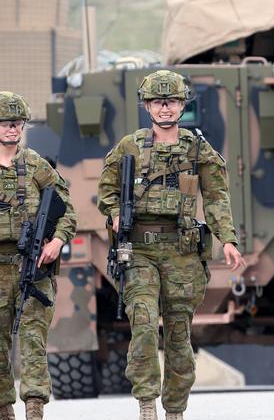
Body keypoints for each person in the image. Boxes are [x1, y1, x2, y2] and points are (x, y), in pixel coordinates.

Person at [97, 70, 245, 420]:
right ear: (148, 106)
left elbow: (217, 198)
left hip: (181, 252)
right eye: (159, 102)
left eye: (172, 102)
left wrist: (228, 239)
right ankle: (147, 402)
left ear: (182, 105)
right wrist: (116, 212)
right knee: (145, 323)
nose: (165, 109)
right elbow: (106, 190)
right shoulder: (130, 147)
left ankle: (175, 408)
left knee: (179, 333)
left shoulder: (197, 149)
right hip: (140, 251)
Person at [0, 92, 77, 420]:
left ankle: (34, 410)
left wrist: (56, 242)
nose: (11, 129)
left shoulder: (35, 165)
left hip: (34, 267)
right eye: (5, 123)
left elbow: (67, 211)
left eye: (17, 123)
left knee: (33, 342)